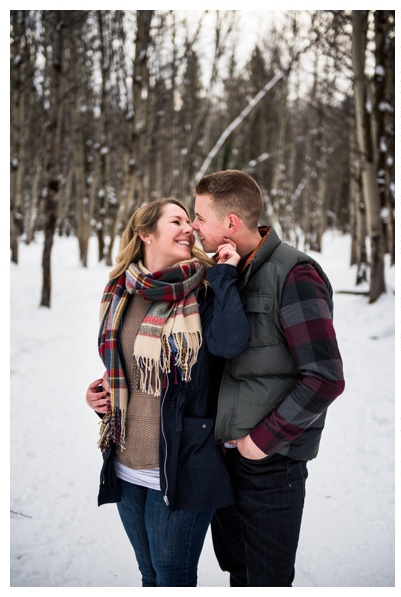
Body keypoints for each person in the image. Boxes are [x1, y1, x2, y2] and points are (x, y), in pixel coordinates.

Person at [189, 169, 345, 587]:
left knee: (266, 582)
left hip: (271, 467)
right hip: (224, 461)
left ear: (231, 223)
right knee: (239, 574)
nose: (193, 225)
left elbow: (325, 378)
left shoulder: (294, 274)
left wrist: (261, 442)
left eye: (200, 216)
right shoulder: (223, 270)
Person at [84, 198, 249, 586]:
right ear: (145, 234)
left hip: (182, 467)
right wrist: (99, 398)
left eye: (188, 221)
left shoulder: (206, 289)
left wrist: (225, 275)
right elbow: (127, 372)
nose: (188, 228)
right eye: (175, 221)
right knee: (149, 576)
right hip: (125, 463)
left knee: (173, 579)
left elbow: (230, 343)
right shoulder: (119, 292)